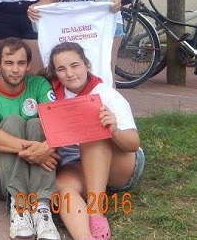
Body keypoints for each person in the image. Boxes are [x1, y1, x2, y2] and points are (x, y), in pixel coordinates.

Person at [48, 42, 143, 240]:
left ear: (86, 64)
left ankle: (96, 211)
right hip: (78, 164)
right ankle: (84, 236)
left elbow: (133, 144)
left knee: (93, 131)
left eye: (75, 65)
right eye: (61, 69)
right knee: (63, 186)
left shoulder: (107, 94)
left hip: (119, 161)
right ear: (55, 73)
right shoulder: (50, 95)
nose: (70, 73)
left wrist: (114, 130)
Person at [0, 38, 60, 240]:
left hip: (33, 169)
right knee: (12, 122)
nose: (15, 69)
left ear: (28, 65)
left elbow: (56, 124)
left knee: (37, 124)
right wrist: (36, 151)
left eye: (21, 63)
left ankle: (42, 209)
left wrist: (46, 146)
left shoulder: (40, 85)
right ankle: (19, 206)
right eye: (9, 63)